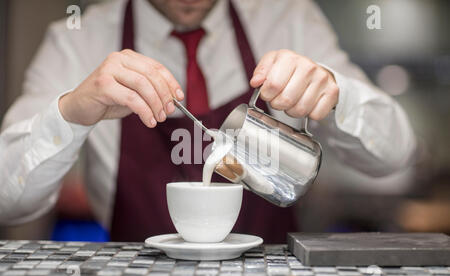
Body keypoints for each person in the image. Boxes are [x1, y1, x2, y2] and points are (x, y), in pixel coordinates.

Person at [0, 0, 417, 243]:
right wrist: (72, 111)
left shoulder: (286, 16)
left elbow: (396, 156)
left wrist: (335, 95)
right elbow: (8, 202)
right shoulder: (78, 37)